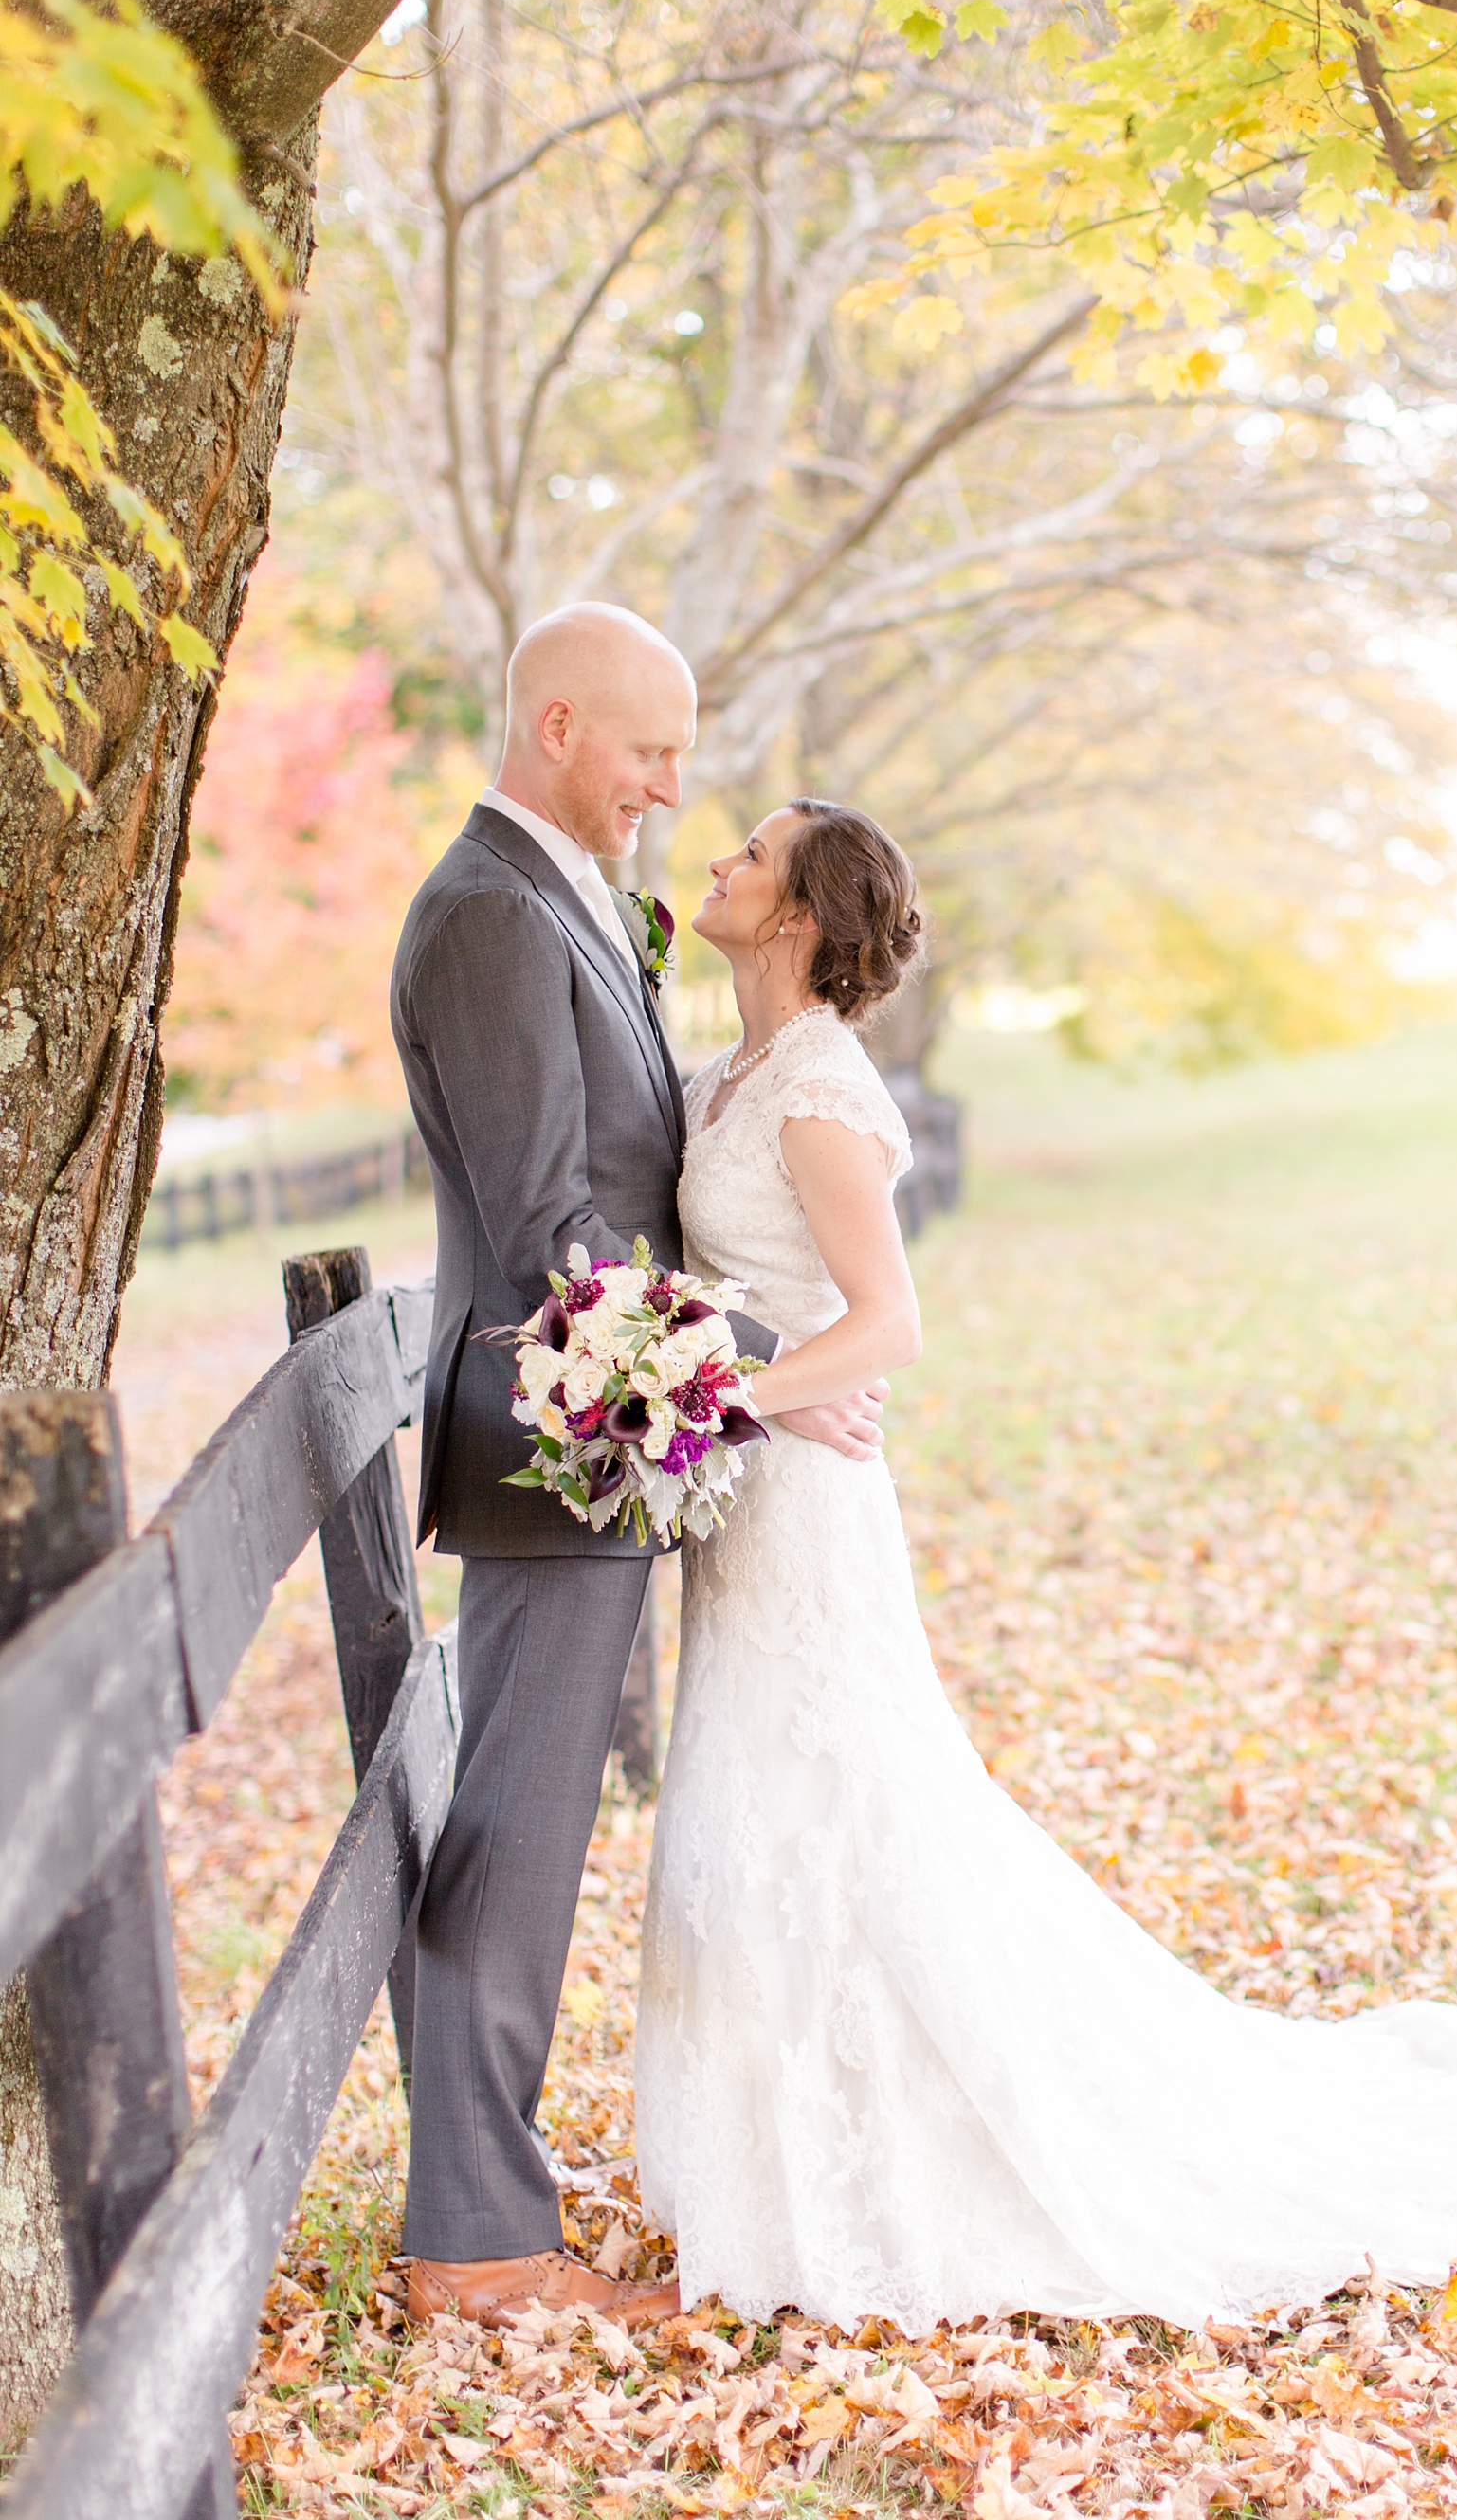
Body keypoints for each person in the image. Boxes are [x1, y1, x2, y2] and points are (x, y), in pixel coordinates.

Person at [633, 798, 1457, 2332]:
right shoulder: (729, 1070)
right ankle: (783, 2139)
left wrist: (714, 1389)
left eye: (754, 853)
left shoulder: (815, 1087)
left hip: (806, 1499)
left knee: (832, 1795)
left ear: (801, 915)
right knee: (770, 1799)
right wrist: (689, 1349)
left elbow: (890, 1327)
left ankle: (884, 2146)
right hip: (753, 1491)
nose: (723, 861)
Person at [389, 607, 883, 2330]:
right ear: (553, 725)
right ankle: (476, 2244)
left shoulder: (564, 902)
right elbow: (551, 1233)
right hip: (554, 1440)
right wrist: (757, 1370)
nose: (674, 791)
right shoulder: (485, 918)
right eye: (649, 754)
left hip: (603, 1441)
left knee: (532, 1828)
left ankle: (484, 2207)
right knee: (519, 1831)